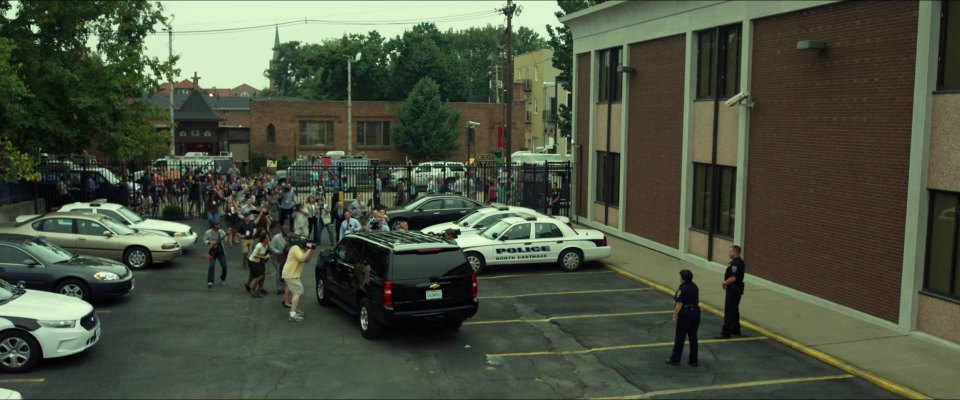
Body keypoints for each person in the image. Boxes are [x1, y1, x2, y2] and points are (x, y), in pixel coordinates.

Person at [666, 269, 700, 367]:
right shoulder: (695, 286)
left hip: (686, 315)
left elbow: (679, 303)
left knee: (680, 337)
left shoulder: (682, 288)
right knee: (693, 337)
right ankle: (693, 360)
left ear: (683, 279)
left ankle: (675, 359)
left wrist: (675, 316)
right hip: (696, 313)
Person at [282, 236, 315, 322]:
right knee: (298, 291)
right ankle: (292, 314)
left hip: (291, 274)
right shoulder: (295, 247)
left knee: (296, 292)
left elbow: (306, 260)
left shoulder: (299, 249)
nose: (305, 241)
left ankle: (294, 310)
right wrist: (309, 249)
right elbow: (302, 258)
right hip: (290, 274)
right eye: (303, 240)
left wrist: (310, 251)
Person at [717, 245, 746, 339]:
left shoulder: (735, 264)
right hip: (736, 289)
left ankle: (725, 332)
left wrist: (724, 283)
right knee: (734, 310)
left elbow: (733, 277)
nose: (728, 253)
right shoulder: (738, 262)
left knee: (729, 311)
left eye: (730, 251)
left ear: (735, 252)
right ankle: (735, 330)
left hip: (734, 289)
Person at [203, 222, 229, 288]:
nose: (218, 226)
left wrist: (228, 234)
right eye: (216, 225)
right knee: (211, 265)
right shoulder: (208, 232)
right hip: (211, 251)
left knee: (224, 266)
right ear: (213, 226)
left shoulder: (221, 232)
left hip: (220, 251)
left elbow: (226, 240)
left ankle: (223, 279)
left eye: (219, 225)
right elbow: (204, 240)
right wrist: (210, 242)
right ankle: (210, 281)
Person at [270, 226, 289, 295]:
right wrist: (277, 252)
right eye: (284, 229)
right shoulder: (276, 237)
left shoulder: (289, 238)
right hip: (277, 258)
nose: (286, 230)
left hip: (285, 258)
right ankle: (279, 288)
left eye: (287, 229)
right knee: (278, 272)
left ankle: (283, 288)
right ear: (281, 230)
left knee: (284, 273)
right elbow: (271, 247)